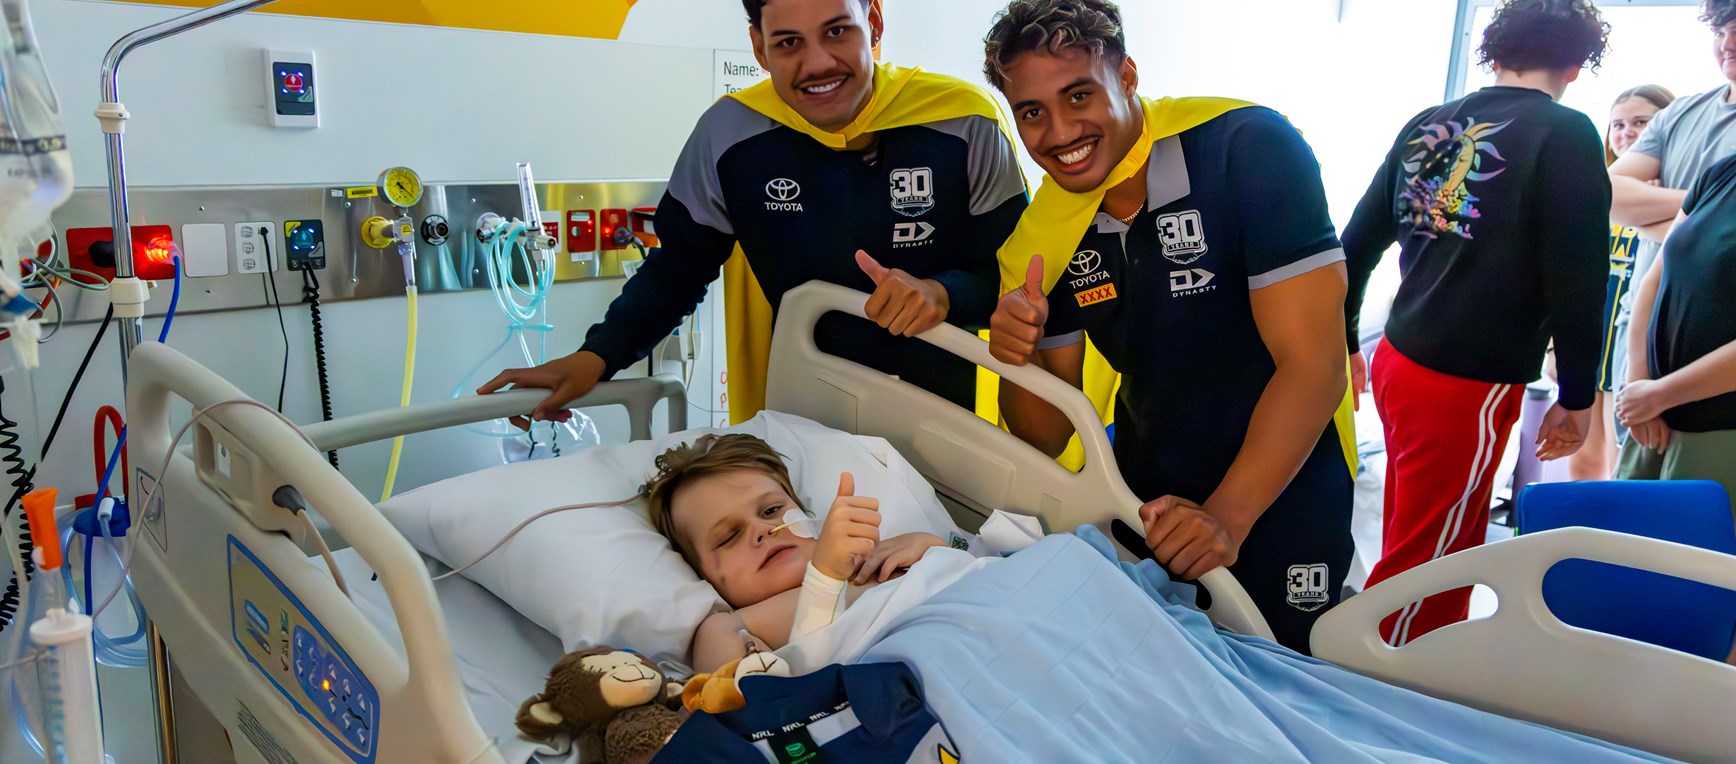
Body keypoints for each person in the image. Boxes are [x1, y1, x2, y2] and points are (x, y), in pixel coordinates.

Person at [983, 0, 1356, 653]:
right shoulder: (1048, 233)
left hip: (1285, 496)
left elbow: (1314, 366)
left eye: (1079, 95)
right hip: (1146, 501)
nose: (1060, 131)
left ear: (1127, 77)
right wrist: (1020, 356)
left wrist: (1225, 518)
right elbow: (1044, 432)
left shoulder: (1245, 148)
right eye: (1032, 112)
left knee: (1291, 695)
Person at [480, 0, 1027, 423]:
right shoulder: (730, 134)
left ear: (875, 21)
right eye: (788, 42)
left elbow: (1012, 285)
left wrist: (943, 294)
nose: (816, 63)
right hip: (800, 418)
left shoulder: (965, 123)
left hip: (947, 422)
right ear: (759, 48)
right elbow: (676, 271)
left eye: (837, 30)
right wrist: (594, 358)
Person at [1341, 0, 1610, 646]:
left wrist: (1345, 339)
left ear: (1492, 54)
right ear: (1576, 65)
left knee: (1413, 528)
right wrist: (1577, 397)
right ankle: (1387, 672)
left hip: (1400, 357)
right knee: (1435, 554)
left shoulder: (1430, 122)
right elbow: (1579, 283)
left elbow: (1351, 246)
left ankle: (1391, 655)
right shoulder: (1566, 133)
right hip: (1467, 380)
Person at [644, 433, 944, 671]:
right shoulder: (729, 627)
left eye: (772, 510)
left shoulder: (883, 558)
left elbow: (968, 581)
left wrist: (931, 547)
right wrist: (823, 578)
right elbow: (741, 705)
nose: (761, 530)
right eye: (729, 537)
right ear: (703, 574)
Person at [1617, 152, 1736, 510]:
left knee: (1693, 559)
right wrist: (1639, 389)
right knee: (1619, 551)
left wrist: (1659, 396)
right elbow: (1656, 277)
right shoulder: (1722, 170)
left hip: (1719, 429)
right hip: (1652, 418)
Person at [1570, 85, 1675, 482]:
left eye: (1640, 123)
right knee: (1581, 451)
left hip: (1636, 346)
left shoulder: (1666, 192)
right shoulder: (1598, 193)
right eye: (1618, 124)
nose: (1626, 133)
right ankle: (1581, 535)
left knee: (1623, 456)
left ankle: (1615, 539)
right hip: (1591, 339)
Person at [1607, 0, 1736, 319]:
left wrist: (1648, 217)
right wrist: (1711, 208)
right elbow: (1605, 193)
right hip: (1641, 320)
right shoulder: (1679, 113)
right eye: (1719, 32)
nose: (1727, 44)